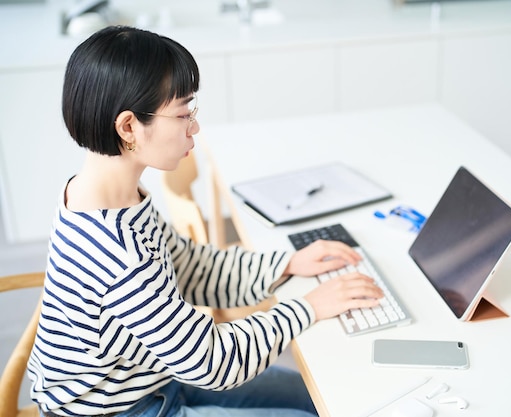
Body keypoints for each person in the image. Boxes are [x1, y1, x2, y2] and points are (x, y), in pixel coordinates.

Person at [26, 25, 383, 417]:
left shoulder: (108, 196)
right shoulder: (117, 253)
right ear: (128, 127)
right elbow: (212, 363)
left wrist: (286, 265)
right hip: (124, 410)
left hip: (153, 379)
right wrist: (309, 307)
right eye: (183, 113)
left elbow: (191, 268)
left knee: (316, 399)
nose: (194, 126)